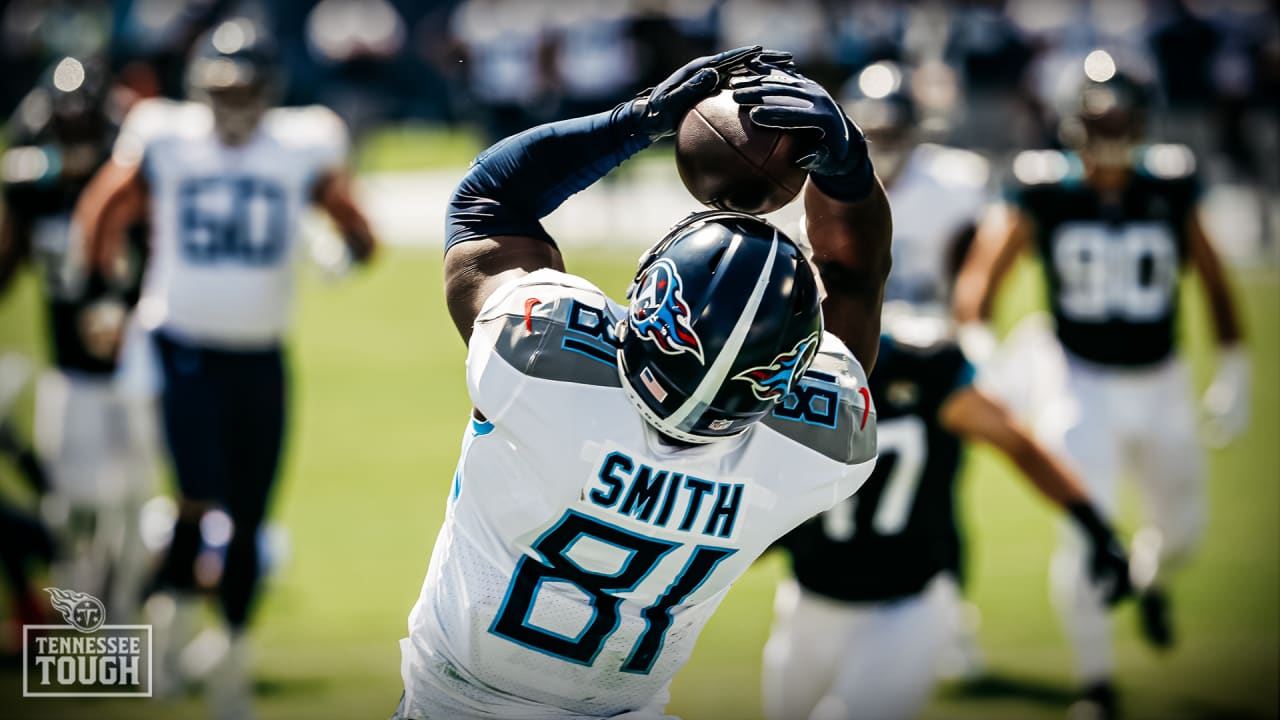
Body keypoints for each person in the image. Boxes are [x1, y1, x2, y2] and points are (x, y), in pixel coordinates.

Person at [395, 46, 892, 720]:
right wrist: (850, 174)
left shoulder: (539, 362)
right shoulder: (816, 449)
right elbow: (855, 283)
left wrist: (639, 119)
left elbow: (489, 199)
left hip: (454, 703)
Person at [75, 17, 377, 719]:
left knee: (248, 513)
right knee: (198, 496)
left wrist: (343, 253)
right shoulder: (166, 137)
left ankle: (231, 660)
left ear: (270, 91)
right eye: (223, 88)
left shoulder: (300, 146)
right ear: (200, 88)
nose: (235, 103)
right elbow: (104, 211)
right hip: (181, 344)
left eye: (247, 89)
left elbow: (359, 229)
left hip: (260, 355)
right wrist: (103, 294)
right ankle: (171, 638)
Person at [952, 51, 1250, 718]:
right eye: (1097, 114)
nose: (1110, 127)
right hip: (1078, 377)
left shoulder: (1171, 183)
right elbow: (979, 282)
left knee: (1183, 533)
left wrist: (1234, 365)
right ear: (1071, 120)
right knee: (1086, 530)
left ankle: (1142, 580)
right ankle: (1097, 683)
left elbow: (1213, 276)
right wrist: (978, 347)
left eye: (1120, 113)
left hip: (1163, 379)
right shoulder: (1044, 188)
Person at [761, 309, 1130, 720]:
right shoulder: (786, 365)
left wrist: (1095, 527)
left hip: (905, 608)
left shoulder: (924, 367)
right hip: (806, 601)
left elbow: (1018, 444)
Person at [0, 55, 157, 622]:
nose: (74, 142)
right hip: (69, 371)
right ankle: (82, 620)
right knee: (70, 512)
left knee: (130, 503)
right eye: (63, 129)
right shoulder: (30, 189)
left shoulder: (133, 183)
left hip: (135, 367)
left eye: (83, 128)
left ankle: (119, 625)